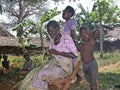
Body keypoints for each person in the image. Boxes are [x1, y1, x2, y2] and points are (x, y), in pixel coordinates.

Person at [19, 20, 78, 90]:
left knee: (43, 74)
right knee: (36, 73)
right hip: (54, 64)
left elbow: (75, 55)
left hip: (65, 67)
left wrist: (58, 53)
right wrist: (48, 54)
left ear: (57, 29)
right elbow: (51, 54)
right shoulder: (52, 41)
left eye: (52, 31)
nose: (50, 33)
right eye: (49, 31)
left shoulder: (66, 38)